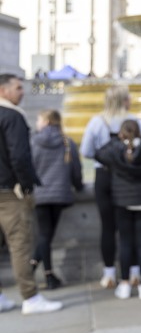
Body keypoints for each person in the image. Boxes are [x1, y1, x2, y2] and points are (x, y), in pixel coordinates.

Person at [0, 73, 62, 314]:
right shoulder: (13, 116)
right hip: (8, 192)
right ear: (3, 91)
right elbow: (19, 156)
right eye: (18, 88)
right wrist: (26, 186)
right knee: (20, 244)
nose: (22, 92)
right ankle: (30, 297)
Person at [80, 85, 141, 289]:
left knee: (107, 226)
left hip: (104, 176)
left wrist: (106, 157)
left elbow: (86, 151)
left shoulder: (97, 122)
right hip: (129, 177)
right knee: (131, 227)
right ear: (124, 100)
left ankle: (109, 272)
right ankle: (135, 271)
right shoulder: (136, 121)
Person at [95, 120, 141, 300]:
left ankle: (124, 284)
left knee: (125, 243)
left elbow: (98, 154)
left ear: (121, 134)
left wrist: (116, 141)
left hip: (123, 201)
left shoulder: (115, 150)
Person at [30, 109, 84, 290]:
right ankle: (41, 271)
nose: (37, 123)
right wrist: (79, 186)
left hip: (40, 195)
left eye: (39, 119)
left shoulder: (34, 142)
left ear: (46, 122)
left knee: (45, 234)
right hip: (60, 194)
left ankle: (45, 274)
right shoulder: (67, 143)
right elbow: (76, 169)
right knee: (47, 234)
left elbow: (27, 166)